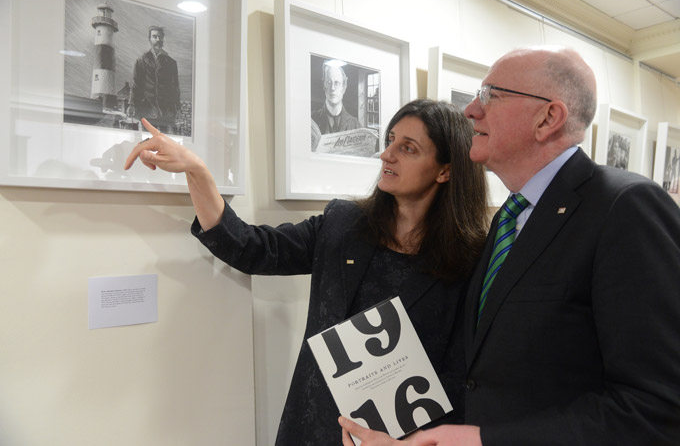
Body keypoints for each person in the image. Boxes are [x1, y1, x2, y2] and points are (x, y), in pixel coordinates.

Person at [340, 46, 680, 445]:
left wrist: (485, 441)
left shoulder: (625, 207)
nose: (470, 111)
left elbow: (657, 408)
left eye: (490, 95)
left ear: (548, 118)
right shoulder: (509, 217)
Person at [124, 99, 489, 445]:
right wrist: (197, 172)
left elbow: (465, 373)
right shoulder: (343, 225)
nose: (386, 154)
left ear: (445, 170)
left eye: (408, 148)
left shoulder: (472, 259)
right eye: (390, 140)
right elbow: (253, 250)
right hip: (315, 424)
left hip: (406, 436)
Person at [128, 25, 180, 134]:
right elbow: (135, 84)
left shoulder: (171, 63)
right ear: (149, 39)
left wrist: (177, 108)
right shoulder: (141, 61)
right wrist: (131, 104)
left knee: (163, 144)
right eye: (154, 37)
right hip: (147, 110)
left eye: (160, 37)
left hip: (165, 113)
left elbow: (175, 87)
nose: (158, 40)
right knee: (147, 142)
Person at [311, 64, 361, 137]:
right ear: (324, 85)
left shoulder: (355, 125)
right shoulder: (311, 120)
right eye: (329, 82)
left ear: (344, 86)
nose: (332, 88)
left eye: (336, 83)